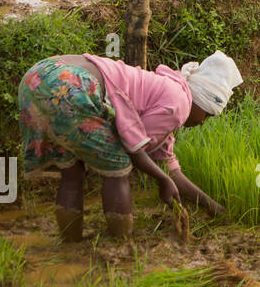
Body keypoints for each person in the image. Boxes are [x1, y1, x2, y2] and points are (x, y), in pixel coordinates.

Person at [19, 50, 241, 241]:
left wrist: (216, 209)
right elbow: (134, 149)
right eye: (207, 115)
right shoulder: (179, 104)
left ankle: (70, 246)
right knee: (118, 167)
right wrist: (162, 181)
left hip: (38, 76)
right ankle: (120, 247)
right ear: (201, 100)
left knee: (72, 171)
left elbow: (172, 171)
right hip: (71, 84)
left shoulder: (166, 96)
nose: (202, 123)